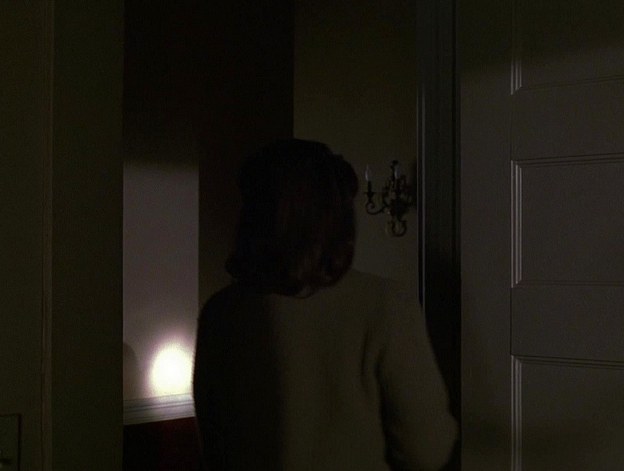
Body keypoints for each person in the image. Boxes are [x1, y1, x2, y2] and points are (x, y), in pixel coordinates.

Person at [193, 139, 457, 470]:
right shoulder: (385, 305)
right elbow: (428, 450)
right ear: (337, 219)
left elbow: (214, 446)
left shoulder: (220, 313)